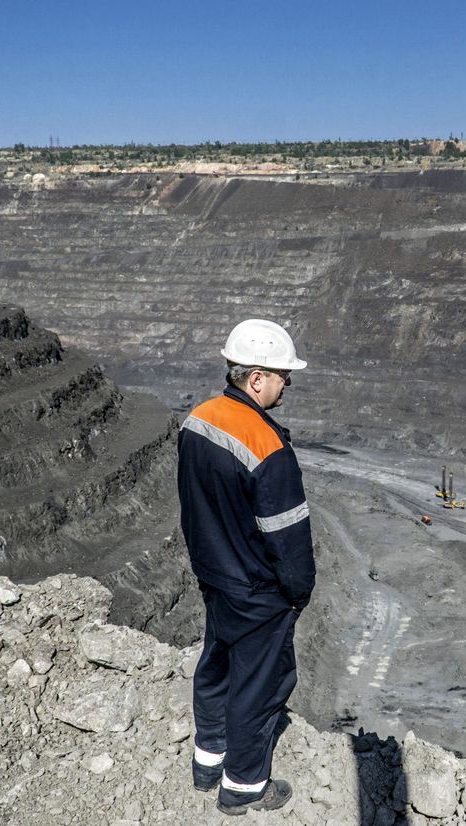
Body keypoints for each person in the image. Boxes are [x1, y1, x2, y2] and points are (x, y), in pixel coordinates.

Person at [176, 318, 316, 816]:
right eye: (282, 375)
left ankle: (207, 759)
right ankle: (244, 786)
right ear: (256, 378)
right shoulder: (267, 446)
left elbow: (195, 505)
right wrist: (298, 592)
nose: (287, 384)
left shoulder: (198, 420)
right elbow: (288, 537)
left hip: (214, 576)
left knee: (216, 665)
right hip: (258, 589)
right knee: (259, 686)